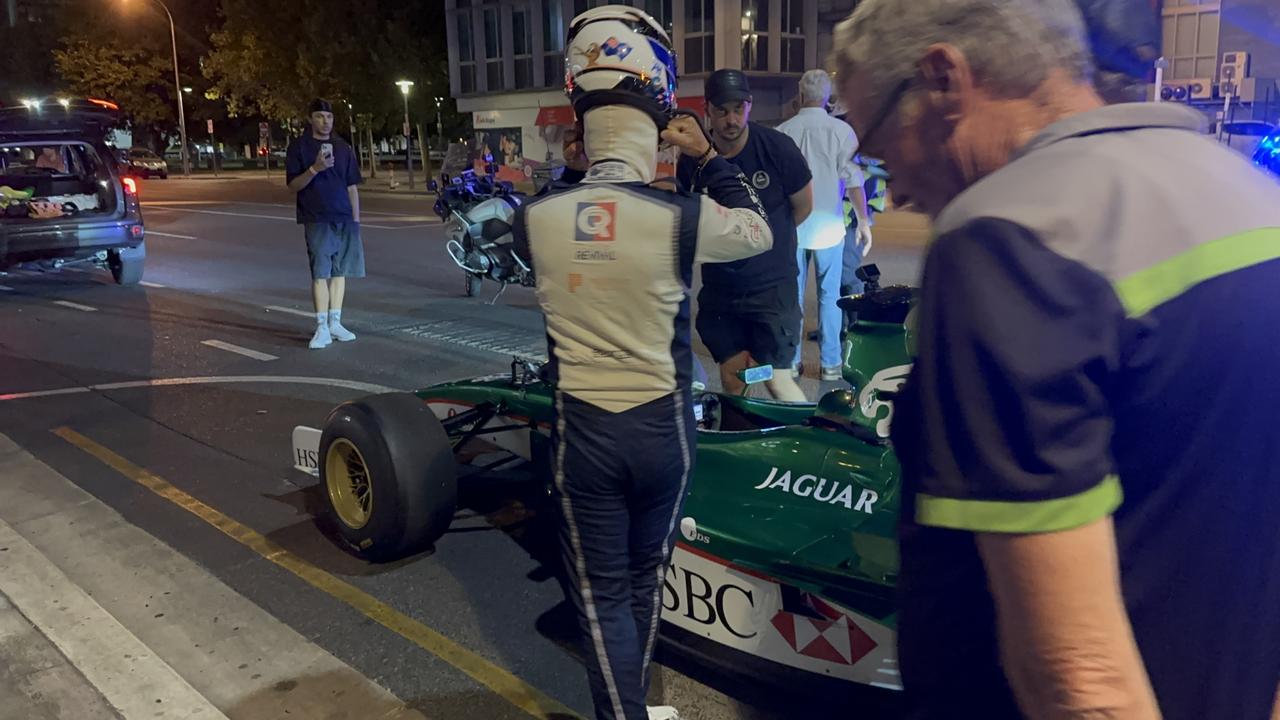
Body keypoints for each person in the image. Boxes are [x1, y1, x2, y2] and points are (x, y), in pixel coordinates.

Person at [834, 0, 1280, 718]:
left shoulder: (1010, 240)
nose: (901, 190)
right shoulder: (1251, 197)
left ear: (943, 78)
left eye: (880, 147)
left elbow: (1076, 673)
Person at [513, 8, 773, 720]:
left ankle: (622, 712)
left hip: (585, 439)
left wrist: (572, 175)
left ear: (578, 103)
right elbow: (758, 231)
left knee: (599, 601)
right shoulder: (680, 215)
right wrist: (710, 160)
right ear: (660, 107)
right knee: (641, 585)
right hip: (666, 432)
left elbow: (513, 231)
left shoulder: (536, 218)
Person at [678, 69, 813, 400]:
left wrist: (767, 245)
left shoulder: (778, 148)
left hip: (772, 290)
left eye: (739, 109)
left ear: (749, 107)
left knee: (777, 379)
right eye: (722, 110)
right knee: (732, 378)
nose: (731, 119)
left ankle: (802, 443)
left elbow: (803, 207)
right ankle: (741, 442)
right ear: (707, 109)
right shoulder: (691, 161)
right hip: (723, 291)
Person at [777, 69, 871, 381]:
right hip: (831, 227)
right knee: (830, 297)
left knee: (793, 296)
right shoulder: (841, 132)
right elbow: (854, 180)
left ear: (800, 94)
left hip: (794, 228)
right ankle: (830, 364)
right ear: (828, 97)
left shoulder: (784, 132)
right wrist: (863, 222)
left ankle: (791, 361)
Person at [286, 98, 363, 350]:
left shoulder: (343, 147)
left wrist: (356, 219)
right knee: (321, 271)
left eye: (329, 117)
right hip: (316, 216)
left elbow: (351, 185)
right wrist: (315, 168)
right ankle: (321, 327)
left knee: (340, 271)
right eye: (319, 116)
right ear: (310, 119)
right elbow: (292, 185)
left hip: (343, 217)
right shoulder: (299, 147)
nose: (325, 121)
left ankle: (335, 323)